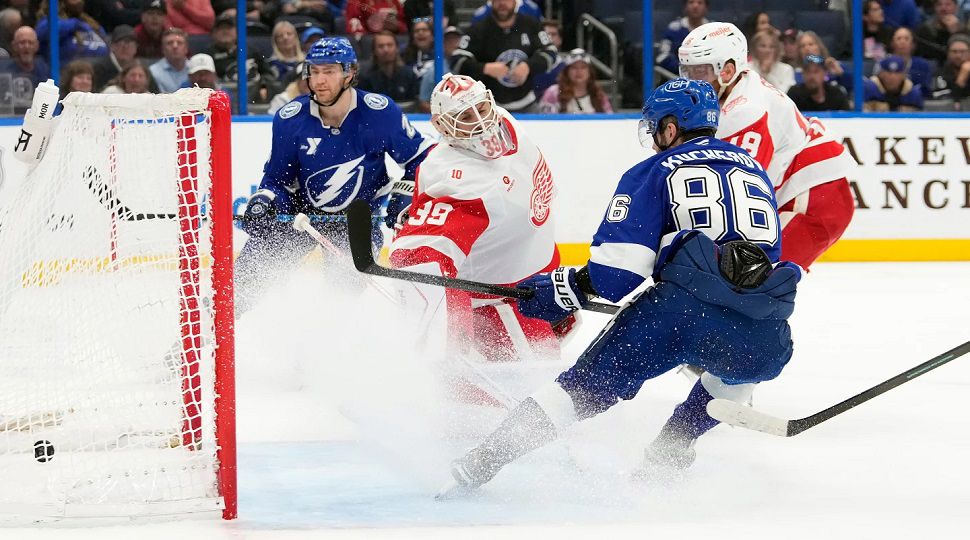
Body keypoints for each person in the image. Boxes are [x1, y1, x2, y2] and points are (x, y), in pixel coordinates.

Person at [439, 78, 800, 496]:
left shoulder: (655, 169)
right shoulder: (755, 170)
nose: (653, 140)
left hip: (675, 314)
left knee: (576, 393)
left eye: (655, 129)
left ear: (669, 128)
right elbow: (753, 264)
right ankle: (670, 452)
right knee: (736, 371)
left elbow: (616, 274)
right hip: (762, 328)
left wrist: (561, 290)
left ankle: (481, 463)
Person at [388, 73, 572, 392]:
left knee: (548, 377)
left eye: (481, 108)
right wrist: (448, 347)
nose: (481, 123)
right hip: (503, 303)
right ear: (443, 128)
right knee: (532, 392)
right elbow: (421, 261)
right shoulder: (458, 182)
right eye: (465, 117)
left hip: (539, 276)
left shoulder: (502, 119)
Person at [235, 36, 432, 315]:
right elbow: (276, 181)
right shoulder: (290, 119)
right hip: (301, 217)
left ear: (349, 73)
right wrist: (265, 200)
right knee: (243, 284)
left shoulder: (379, 113)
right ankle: (206, 336)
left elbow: (420, 157)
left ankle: (314, 354)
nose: (319, 80)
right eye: (314, 71)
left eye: (328, 71)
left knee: (336, 304)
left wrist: (404, 192)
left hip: (357, 223)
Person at [679, 22, 856, 270]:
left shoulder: (747, 111)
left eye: (699, 71)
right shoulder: (735, 88)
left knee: (748, 280)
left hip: (816, 201)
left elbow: (738, 196)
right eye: (686, 71)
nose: (690, 81)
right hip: (804, 192)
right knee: (738, 279)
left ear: (727, 71)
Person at [450, 0, 558, 113]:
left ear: (516, 2)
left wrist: (528, 66)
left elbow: (551, 52)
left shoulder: (531, 24)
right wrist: (485, 68)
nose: (502, 3)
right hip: (489, 108)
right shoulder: (478, 29)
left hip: (528, 105)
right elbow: (457, 60)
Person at [538, 48, 612, 113]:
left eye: (583, 67)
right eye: (574, 67)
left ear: (590, 72)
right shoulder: (553, 92)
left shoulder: (598, 95)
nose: (579, 71)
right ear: (567, 71)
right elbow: (545, 121)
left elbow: (609, 120)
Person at [357, 31, 420, 105]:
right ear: (374, 51)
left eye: (390, 45)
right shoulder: (365, 77)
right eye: (381, 46)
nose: (386, 50)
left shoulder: (409, 75)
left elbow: (414, 104)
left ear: (397, 48)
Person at [656, 0, 709, 76]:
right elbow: (662, 57)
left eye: (700, 2)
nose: (695, 6)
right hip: (677, 80)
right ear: (685, 7)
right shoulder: (674, 29)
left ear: (706, 7)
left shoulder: (713, 30)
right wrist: (685, 70)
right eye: (691, 2)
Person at [418, 25, 462, 112]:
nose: (453, 44)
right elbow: (423, 103)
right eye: (449, 40)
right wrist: (444, 113)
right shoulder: (434, 70)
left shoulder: (469, 64)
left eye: (456, 40)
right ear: (442, 43)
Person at [787, 54, 851, 112]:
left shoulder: (836, 94)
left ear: (825, 73)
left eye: (816, 71)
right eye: (808, 71)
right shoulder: (794, 94)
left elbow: (847, 120)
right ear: (803, 74)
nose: (811, 76)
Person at [883, 26, 934, 97]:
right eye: (898, 38)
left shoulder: (923, 65)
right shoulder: (884, 63)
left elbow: (925, 89)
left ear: (913, 44)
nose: (902, 42)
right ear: (892, 43)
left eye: (906, 39)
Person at [92, 24, 139, 91]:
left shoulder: (139, 70)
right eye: (120, 43)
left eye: (130, 44)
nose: (125, 47)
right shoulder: (99, 69)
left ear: (136, 48)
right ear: (112, 46)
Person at [750, 30, 795, 94]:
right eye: (763, 46)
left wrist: (768, 74)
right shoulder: (747, 68)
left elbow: (784, 94)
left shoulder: (786, 69)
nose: (767, 50)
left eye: (772, 47)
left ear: (777, 50)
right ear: (755, 48)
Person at [149, 27, 190, 93]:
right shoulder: (153, 72)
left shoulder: (195, 69)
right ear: (162, 49)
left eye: (179, 43)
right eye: (170, 43)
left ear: (186, 48)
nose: (175, 46)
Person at [934, 33, 970, 100]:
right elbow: (942, 100)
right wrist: (961, 79)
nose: (958, 56)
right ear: (948, 53)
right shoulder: (941, 73)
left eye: (963, 51)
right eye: (954, 51)